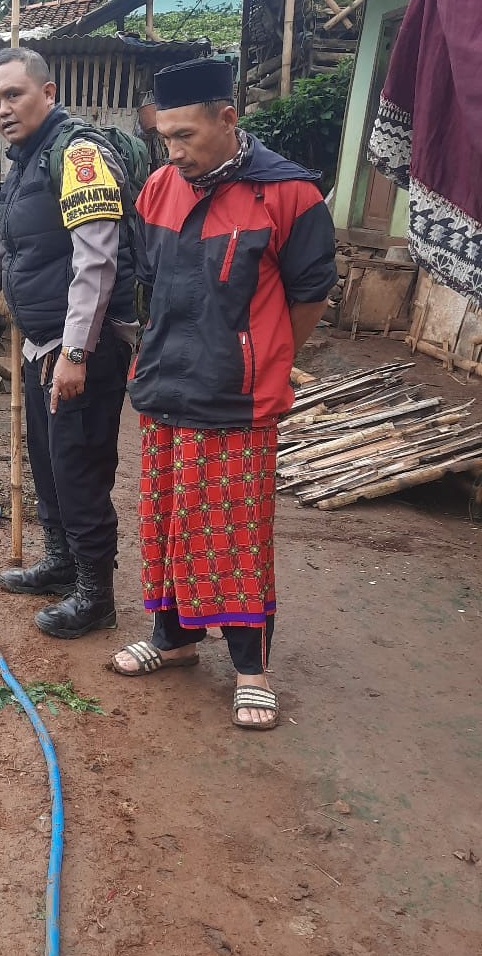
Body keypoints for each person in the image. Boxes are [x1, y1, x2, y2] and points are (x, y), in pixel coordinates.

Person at [107, 58, 338, 730]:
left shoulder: (291, 195)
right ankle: (173, 638)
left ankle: (251, 668)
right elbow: (153, 283)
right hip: (165, 387)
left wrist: (267, 359)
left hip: (237, 401)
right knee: (170, 522)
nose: (173, 151)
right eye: (165, 136)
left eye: (185, 136)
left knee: (234, 537)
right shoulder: (158, 189)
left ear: (228, 119)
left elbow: (309, 294)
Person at [0, 48, 136, 639]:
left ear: (48, 94)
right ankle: (61, 564)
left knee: (80, 470)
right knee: (47, 464)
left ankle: (97, 595)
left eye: (14, 95)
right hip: (43, 346)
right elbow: (1, 249)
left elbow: (98, 259)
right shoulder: (23, 163)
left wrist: (76, 353)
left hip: (83, 350)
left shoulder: (78, 156)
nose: (2, 109)